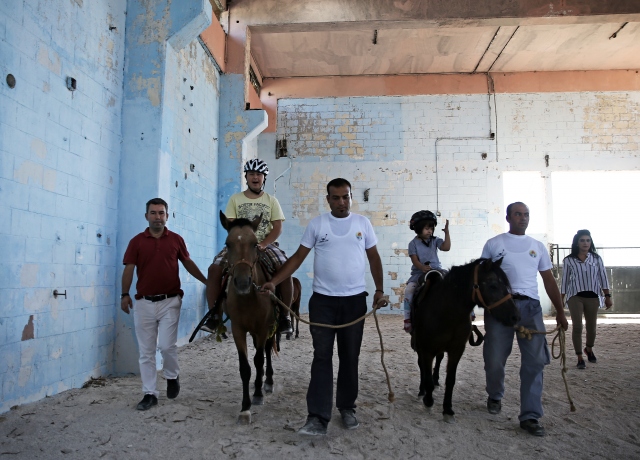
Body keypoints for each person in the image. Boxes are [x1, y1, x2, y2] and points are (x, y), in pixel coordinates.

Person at [262, 178, 384, 436]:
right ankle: (317, 417)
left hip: (354, 301)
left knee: (350, 357)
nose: (342, 202)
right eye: (336, 197)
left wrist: (379, 290)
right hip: (323, 302)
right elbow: (297, 258)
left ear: (351, 197)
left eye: (346, 197)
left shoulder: (363, 224)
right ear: (328, 199)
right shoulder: (317, 224)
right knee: (321, 357)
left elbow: (373, 257)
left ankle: (347, 408)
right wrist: (274, 281)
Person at [480, 202, 568, 437]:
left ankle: (530, 416)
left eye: (526, 214)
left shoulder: (537, 247)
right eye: (518, 214)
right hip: (500, 308)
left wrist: (560, 311)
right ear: (508, 217)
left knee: (536, 362)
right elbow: (481, 279)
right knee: (494, 358)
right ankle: (495, 394)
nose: (523, 218)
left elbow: (549, 280)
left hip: (530, 308)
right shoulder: (493, 244)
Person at [121, 198, 207, 411]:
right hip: (143, 303)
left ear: (167, 216)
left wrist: (207, 281)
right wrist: (124, 294)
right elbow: (129, 269)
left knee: (167, 346)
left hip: (170, 301)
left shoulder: (176, 240)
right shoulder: (136, 242)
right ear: (146, 216)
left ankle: (172, 375)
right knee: (146, 351)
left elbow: (187, 263)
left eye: (161, 213)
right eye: (153, 213)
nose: (157, 217)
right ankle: (149, 394)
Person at [203, 159, 293, 335]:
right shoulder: (235, 199)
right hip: (239, 245)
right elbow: (230, 224)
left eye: (259, 174)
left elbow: (277, 227)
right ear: (246, 177)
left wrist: (264, 243)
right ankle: (214, 315)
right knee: (214, 269)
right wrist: (239, 242)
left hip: (265, 244)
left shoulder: (271, 200)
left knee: (285, 267)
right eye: (251, 174)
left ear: (264, 178)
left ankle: (285, 316)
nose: (255, 177)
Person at [561, 229, 612, 369]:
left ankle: (589, 348)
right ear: (577, 243)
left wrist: (607, 296)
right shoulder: (569, 260)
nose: (585, 243)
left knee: (592, 327)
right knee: (577, 326)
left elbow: (603, 278)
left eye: (588, 240)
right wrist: (561, 300)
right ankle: (579, 357)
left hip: (593, 296)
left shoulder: (596, 259)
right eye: (582, 240)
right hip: (575, 296)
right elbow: (564, 281)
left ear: (591, 242)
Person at [403, 210, 450, 333]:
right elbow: (414, 260)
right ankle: (407, 319)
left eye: (431, 228)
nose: (430, 231)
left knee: (453, 282)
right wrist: (421, 267)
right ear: (418, 229)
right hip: (419, 273)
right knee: (409, 290)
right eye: (426, 228)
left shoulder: (435, 240)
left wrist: (447, 233)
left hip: (437, 270)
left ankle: (467, 312)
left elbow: (446, 247)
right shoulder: (413, 244)